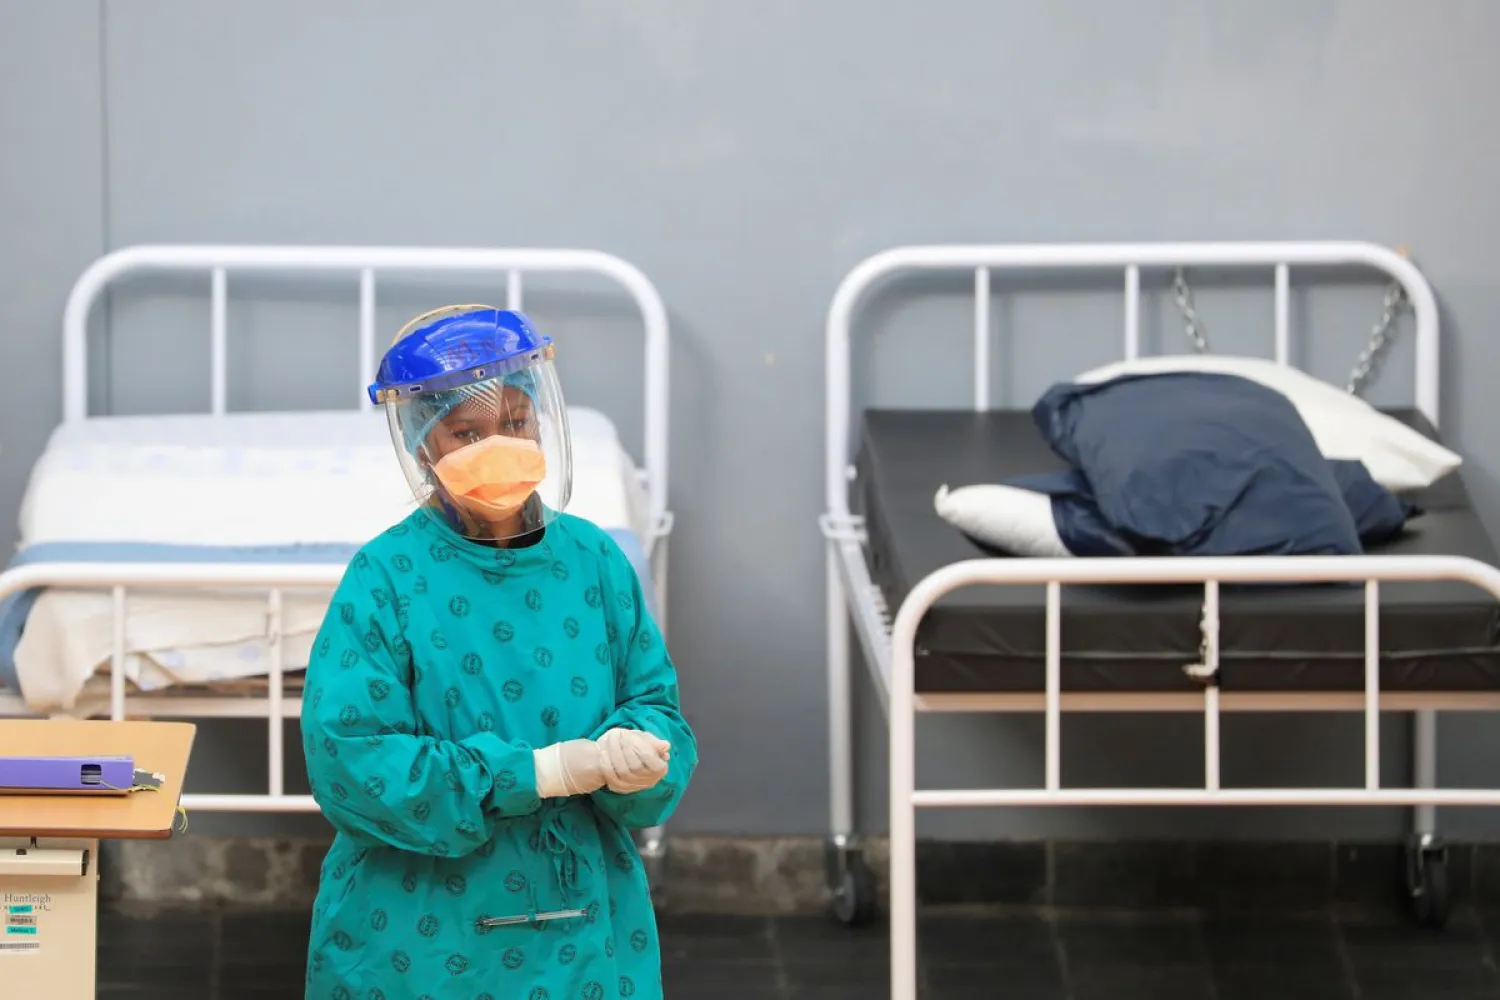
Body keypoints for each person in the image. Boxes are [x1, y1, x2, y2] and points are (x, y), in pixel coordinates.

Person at [300, 304, 697, 1000]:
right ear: (424, 445)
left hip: (583, 919)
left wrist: (641, 757)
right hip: (418, 934)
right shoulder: (386, 580)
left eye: (516, 421)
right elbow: (349, 760)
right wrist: (537, 771)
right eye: (467, 430)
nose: (499, 443)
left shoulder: (597, 563)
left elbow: (655, 705)